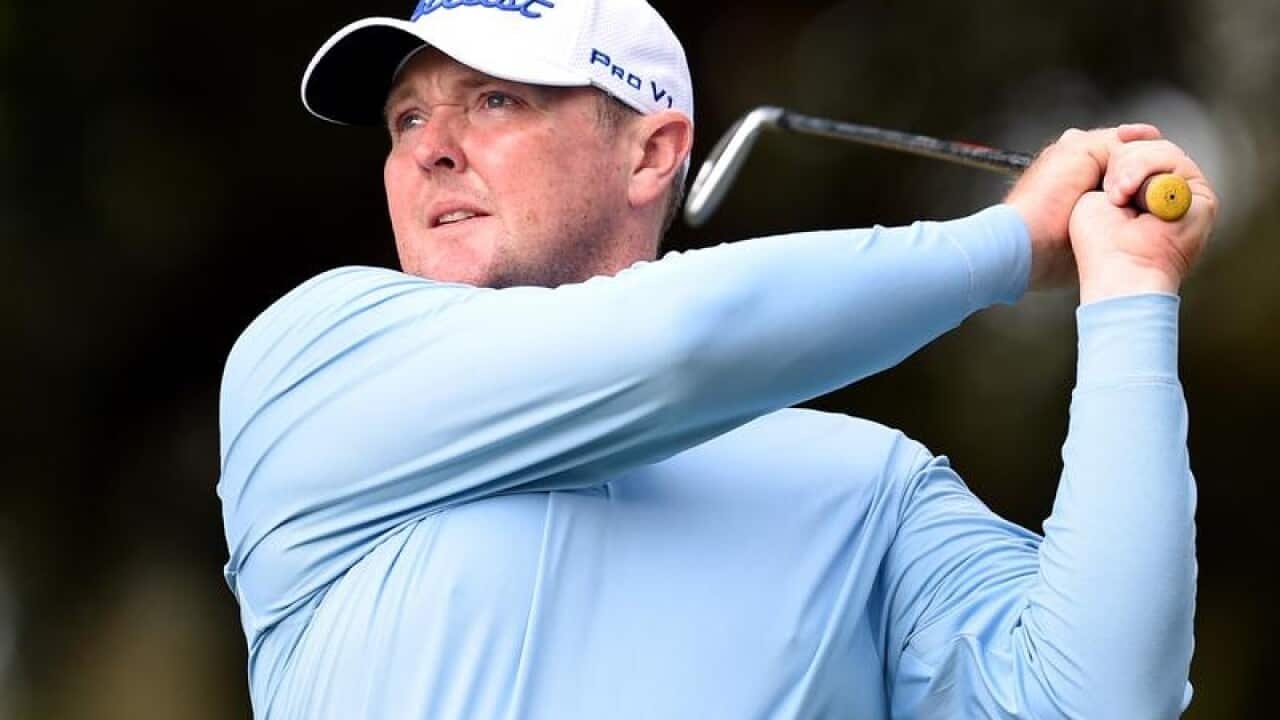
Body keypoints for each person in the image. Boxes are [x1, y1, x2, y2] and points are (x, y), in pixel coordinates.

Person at [217, 1, 1216, 718]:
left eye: (492, 102)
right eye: (406, 117)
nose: (429, 147)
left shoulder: (866, 487)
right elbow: (671, 345)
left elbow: (1102, 694)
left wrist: (1128, 295)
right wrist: (1000, 248)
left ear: (651, 154)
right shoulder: (310, 362)